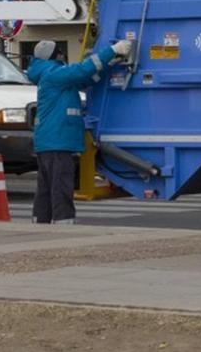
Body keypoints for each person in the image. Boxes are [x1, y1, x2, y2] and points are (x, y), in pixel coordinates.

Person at [26, 39, 131, 224]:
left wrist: (109, 64)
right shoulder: (54, 73)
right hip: (57, 141)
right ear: (54, 55)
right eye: (60, 52)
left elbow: (86, 79)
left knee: (46, 187)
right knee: (61, 186)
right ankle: (63, 223)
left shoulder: (49, 75)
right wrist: (112, 50)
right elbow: (82, 70)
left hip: (49, 141)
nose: (62, 55)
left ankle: (40, 223)